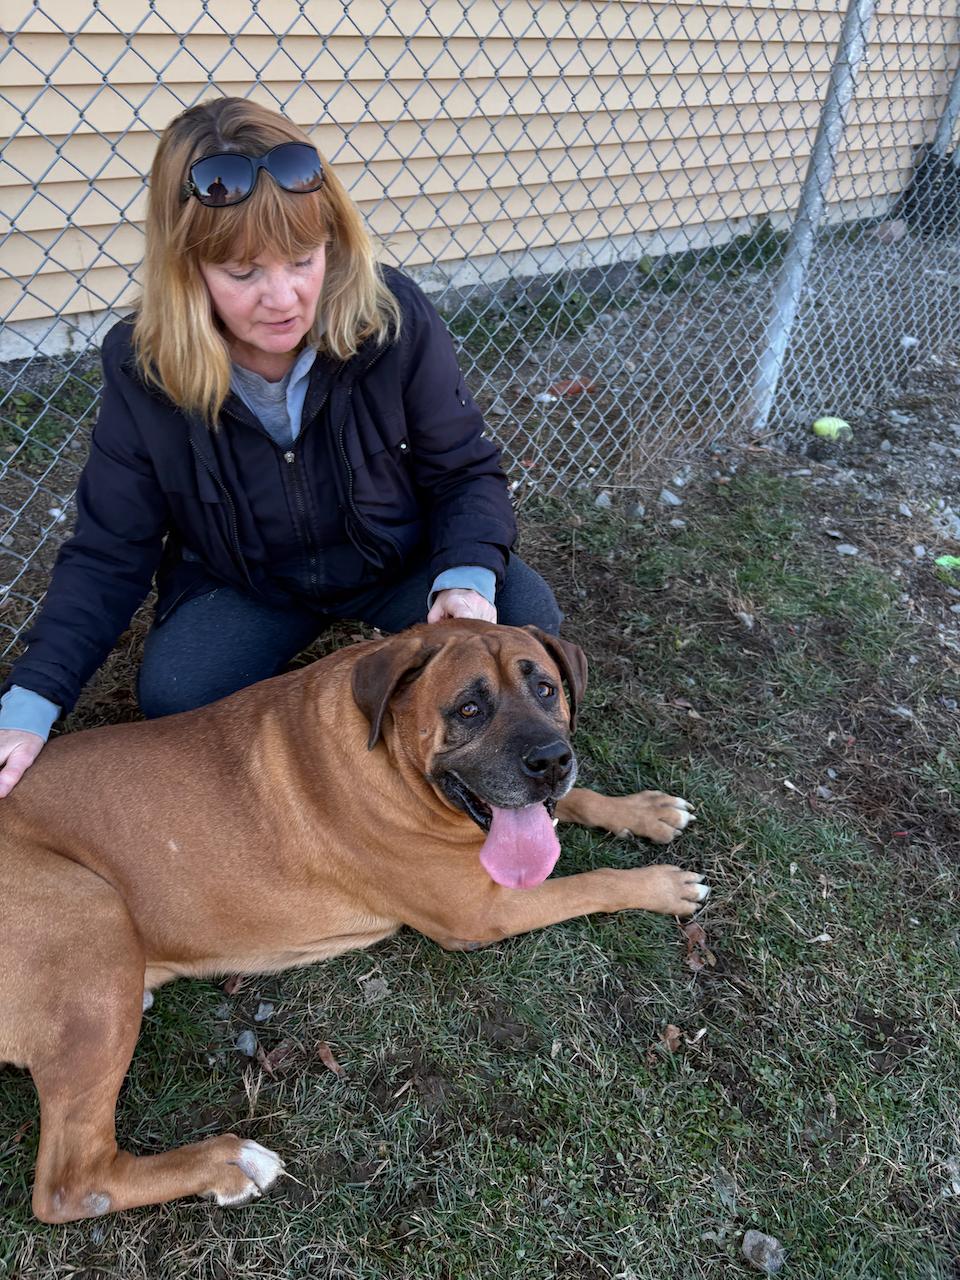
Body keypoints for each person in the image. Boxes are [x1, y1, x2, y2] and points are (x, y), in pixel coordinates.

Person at [0, 97, 560, 797]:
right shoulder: (142, 366)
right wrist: (32, 703)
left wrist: (465, 579)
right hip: (249, 579)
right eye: (242, 273)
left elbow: (465, 471)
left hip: (392, 557)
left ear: (333, 239)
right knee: (180, 693)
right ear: (187, 270)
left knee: (524, 617)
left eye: (303, 259)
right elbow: (111, 548)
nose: (283, 298)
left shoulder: (392, 317)